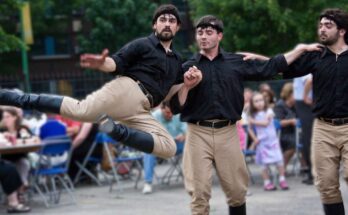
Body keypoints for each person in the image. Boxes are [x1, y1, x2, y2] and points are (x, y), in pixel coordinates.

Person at [0, 4, 201, 159]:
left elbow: (175, 101)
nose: (167, 23)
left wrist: (188, 85)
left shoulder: (177, 62)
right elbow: (116, 62)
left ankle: (115, 131)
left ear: (178, 27)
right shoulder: (143, 45)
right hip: (128, 90)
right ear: (154, 25)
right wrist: (101, 63)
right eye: (162, 19)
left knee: (169, 147)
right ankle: (15, 98)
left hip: (142, 110)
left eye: (172, 20)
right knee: (80, 111)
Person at [168, 15, 320, 215]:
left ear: (219, 36)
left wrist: (299, 50)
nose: (203, 36)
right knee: (198, 194)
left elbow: (271, 67)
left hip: (228, 132)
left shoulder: (236, 62)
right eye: (200, 32)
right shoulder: (187, 67)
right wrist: (187, 86)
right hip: (197, 133)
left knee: (237, 191)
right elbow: (175, 106)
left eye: (209, 32)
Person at [246, 7, 348, 215]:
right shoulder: (315, 56)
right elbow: (282, 68)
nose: (322, 30)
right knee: (326, 185)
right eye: (320, 26)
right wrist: (258, 58)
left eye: (328, 26)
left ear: (342, 31)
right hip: (323, 129)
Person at [142, 101, 186, 194]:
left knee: (190, 145)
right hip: (160, 146)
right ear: (161, 109)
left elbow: (187, 131)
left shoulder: (177, 115)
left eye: (171, 113)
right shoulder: (154, 117)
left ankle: (192, 179)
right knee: (148, 149)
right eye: (167, 112)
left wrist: (183, 136)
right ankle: (148, 182)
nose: (170, 115)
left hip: (176, 145)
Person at [248, 92, 289, 191]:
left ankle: (282, 179)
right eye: (256, 101)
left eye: (261, 100)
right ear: (252, 104)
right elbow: (249, 129)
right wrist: (254, 138)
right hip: (262, 142)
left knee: (279, 160)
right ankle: (267, 182)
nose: (259, 103)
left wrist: (253, 121)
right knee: (264, 163)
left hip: (272, 141)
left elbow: (266, 123)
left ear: (264, 101)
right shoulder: (252, 115)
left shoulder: (269, 111)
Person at [0, 107, 38, 199]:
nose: (5, 119)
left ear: (15, 117)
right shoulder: (1, 131)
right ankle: (21, 188)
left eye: (8, 117)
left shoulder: (22, 129)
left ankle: (20, 191)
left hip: (21, 157)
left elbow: (36, 139)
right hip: (5, 159)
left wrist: (20, 141)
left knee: (23, 163)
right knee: (10, 167)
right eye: (4, 117)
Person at [293, 74, 314, 184]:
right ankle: (310, 172)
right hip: (302, 105)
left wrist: (305, 95)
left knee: (308, 140)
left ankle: (312, 173)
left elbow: (310, 80)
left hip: (305, 105)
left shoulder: (304, 68)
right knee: (306, 140)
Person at [274, 82, 297, 172]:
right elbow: (277, 122)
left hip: (293, 132)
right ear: (289, 94)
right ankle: (282, 168)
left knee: (305, 140)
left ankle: (305, 168)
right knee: (293, 143)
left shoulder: (295, 106)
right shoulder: (280, 105)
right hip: (282, 133)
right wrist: (291, 121)